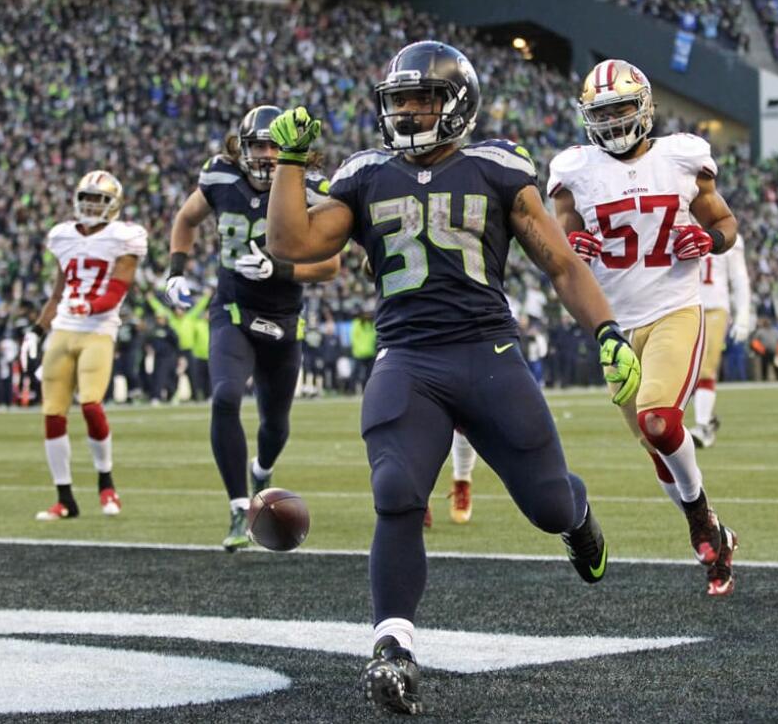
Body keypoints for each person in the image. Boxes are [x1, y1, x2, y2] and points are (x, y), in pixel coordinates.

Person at [264, 40, 641, 716]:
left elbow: (558, 263)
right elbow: (292, 244)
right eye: (399, 100)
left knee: (549, 504)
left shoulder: (496, 166)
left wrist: (607, 330)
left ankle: (578, 518)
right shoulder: (364, 173)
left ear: (458, 102)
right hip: (408, 357)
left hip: (488, 353)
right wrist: (289, 165)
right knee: (396, 491)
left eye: (424, 98)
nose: (408, 112)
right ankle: (392, 646)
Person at [549, 58, 739, 596]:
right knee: (655, 445)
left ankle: (699, 516)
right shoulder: (576, 170)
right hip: (614, 325)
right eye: (601, 113)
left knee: (659, 419)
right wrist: (574, 246)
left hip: (675, 307)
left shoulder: (681, 158)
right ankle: (717, 533)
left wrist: (708, 241)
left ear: (644, 106)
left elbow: (724, 224)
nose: (611, 122)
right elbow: (561, 246)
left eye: (621, 109)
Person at [165, 104, 340, 552]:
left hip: (284, 319)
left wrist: (278, 269)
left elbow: (330, 265)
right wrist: (176, 271)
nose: (264, 154)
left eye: (273, 145)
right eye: (257, 145)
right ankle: (239, 504)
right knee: (224, 397)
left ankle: (261, 470)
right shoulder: (221, 178)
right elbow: (186, 219)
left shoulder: (309, 187)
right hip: (233, 312)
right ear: (240, 148)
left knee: (275, 425)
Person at [25, 170, 147, 521]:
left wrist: (90, 307)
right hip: (63, 328)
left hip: (98, 329)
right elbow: (58, 291)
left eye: (99, 200)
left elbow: (116, 289)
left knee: (91, 404)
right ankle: (64, 499)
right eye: (87, 199)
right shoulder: (62, 236)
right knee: (52, 413)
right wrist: (36, 330)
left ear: (113, 205)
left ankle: (106, 484)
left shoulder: (125, 237)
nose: (92, 206)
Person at [690, 232, 750, 448]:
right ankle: (706, 419)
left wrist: (743, 314)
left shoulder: (727, 234)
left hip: (714, 307)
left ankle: (703, 426)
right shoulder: (675, 223)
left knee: (706, 368)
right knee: (683, 370)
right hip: (682, 307)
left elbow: (739, 278)